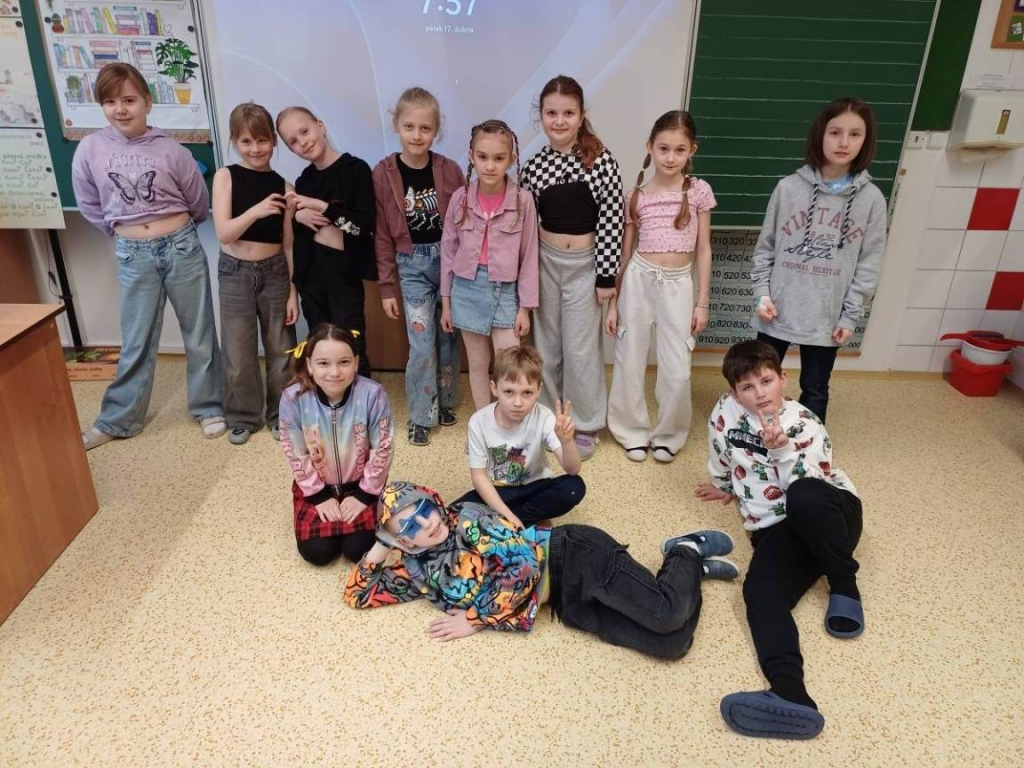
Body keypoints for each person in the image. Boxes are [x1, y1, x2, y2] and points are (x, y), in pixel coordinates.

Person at [344, 481, 737, 658]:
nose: (426, 523)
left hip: (574, 555)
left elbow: (524, 565)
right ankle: (691, 575)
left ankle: (683, 552)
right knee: (673, 645)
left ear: (433, 502)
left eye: (424, 510)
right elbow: (357, 596)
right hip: (563, 603)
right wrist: (382, 544)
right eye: (410, 527)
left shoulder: (467, 519)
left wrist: (473, 618)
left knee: (666, 614)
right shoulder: (416, 573)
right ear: (404, 542)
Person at [697, 340, 864, 740]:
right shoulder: (725, 413)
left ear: (783, 379)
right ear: (733, 392)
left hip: (830, 514)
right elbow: (721, 452)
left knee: (804, 496)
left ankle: (845, 584)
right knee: (759, 592)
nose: (760, 393)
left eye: (767, 381)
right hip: (777, 530)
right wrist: (726, 486)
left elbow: (813, 488)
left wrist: (783, 450)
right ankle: (790, 694)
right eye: (748, 387)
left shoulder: (805, 422)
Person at [71, 62, 224, 450]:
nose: (120, 109)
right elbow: (88, 203)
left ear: (147, 102)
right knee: (137, 339)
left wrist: (173, 229)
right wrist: (123, 233)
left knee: (199, 333)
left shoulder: (171, 148)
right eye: (110, 102)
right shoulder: (90, 149)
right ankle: (119, 419)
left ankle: (208, 406)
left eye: (129, 100)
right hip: (132, 253)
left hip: (181, 246)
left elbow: (197, 201)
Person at [750, 97, 887, 423]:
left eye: (855, 134)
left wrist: (849, 316)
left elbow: (869, 265)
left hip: (827, 317)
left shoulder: (871, 200)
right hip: (776, 310)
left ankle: (809, 447)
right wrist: (762, 295)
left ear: (866, 140)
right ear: (820, 134)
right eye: (835, 132)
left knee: (815, 388)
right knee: (759, 383)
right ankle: (756, 439)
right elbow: (765, 249)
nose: (844, 142)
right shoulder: (788, 189)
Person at [519, 75, 624, 459]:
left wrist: (606, 276)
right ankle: (549, 418)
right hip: (546, 264)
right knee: (546, 346)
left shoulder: (602, 162)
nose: (559, 120)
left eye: (568, 113)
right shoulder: (533, 166)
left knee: (580, 350)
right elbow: (526, 228)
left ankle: (585, 421)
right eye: (551, 113)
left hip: (585, 266)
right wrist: (526, 278)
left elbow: (612, 221)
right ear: (541, 116)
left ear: (581, 115)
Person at [606, 110, 715, 464]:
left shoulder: (698, 191)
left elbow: (703, 249)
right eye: (663, 148)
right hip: (639, 280)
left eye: (679, 150)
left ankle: (669, 434)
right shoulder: (636, 196)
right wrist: (614, 303)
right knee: (630, 359)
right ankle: (631, 431)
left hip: (679, 285)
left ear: (691, 151)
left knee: (677, 368)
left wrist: (702, 302)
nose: (670, 157)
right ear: (650, 147)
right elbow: (625, 254)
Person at [373, 87, 465, 446]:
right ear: (396, 125)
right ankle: (421, 414)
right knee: (422, 342)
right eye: (409, 126)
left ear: (435, 130)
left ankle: (446, 400)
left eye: (425, 128)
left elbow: (464, 224)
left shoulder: (450, 170)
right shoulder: (383, 173)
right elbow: (382, 233)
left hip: (448, 263)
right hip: (411, 266)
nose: (416, 135)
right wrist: (386, 286)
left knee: (448, 336)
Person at [211, 102, 299, 445]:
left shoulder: (285, 187)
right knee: (237, 349)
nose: (255, 149)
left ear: (273, 140)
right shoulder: (225, 176)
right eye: (246, 141)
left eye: (262, 140)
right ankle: (243, 416)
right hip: (235, 271)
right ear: (235, 142)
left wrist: (293, 291)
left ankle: (281, 414)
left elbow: (289, 244)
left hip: (275, 271)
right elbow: (224, 233)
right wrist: (257, 210)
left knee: (281, 348)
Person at [440, 119, 538, 410]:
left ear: (511, 159)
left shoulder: (523, 201)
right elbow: (448, 252)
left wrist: (525, 307)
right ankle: (484, 421)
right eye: (483, 157)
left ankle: (511, 420)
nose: (490, 166)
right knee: (478, 363)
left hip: (506, 292)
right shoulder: (460, 199)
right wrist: (446, 303)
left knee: (511, 365)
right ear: (471, 156)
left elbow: (529, 255)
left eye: (499, 158)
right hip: (466, 289)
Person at [278, 324, 393, 566]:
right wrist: (318, 496)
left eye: (344, 362)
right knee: (317, 553)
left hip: (361, 486)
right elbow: (295, 452)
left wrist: (364, 495)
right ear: (309, 365)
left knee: (358, 550)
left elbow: (383, 447)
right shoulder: (292, 398)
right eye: (323, 363)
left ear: (356, 362)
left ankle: (358, 511)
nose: (334, 372)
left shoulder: (373, 394)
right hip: (315, 487)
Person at [276, 106, 376, 376]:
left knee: (350, 343)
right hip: (312, 279)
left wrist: (322, 207)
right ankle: (325, 397)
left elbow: (362, 227)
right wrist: (298, 217)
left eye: (305, 131)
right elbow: (298, 236)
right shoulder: (304, 180)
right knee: (320, 346)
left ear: (319, 125)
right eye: (293, 141)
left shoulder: (354, 170)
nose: (303, 142)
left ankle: (359, 397)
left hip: (343, 278)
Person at [452, 345, 583, 530]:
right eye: (509, 392)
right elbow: (479, 477)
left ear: (539, 390)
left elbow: (572, 469)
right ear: (494, 388)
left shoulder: (544, 416)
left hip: (535, 486)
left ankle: (503, 521)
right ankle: (523, 519)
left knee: (574, 487)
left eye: (527, 393)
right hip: (497, 490)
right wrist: (509, 516)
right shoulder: (478, 422)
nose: (518, 403)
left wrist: (567, 441)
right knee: (453, 513)